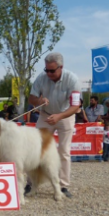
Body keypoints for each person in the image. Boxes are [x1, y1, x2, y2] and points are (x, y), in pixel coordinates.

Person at [28, 52, 81, 198]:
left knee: (64, 151)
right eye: (47, 70)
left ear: (61, 67)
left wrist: (60, 116)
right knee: (36, 150)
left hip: (66, 115)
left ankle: (63, 186)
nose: (49, 73)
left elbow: (76, 106)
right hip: (45, 115)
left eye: (52, 70)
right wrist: (39, 101)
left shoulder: (73, 80)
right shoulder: (41, 78)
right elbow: (31, 98)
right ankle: (31, 183)